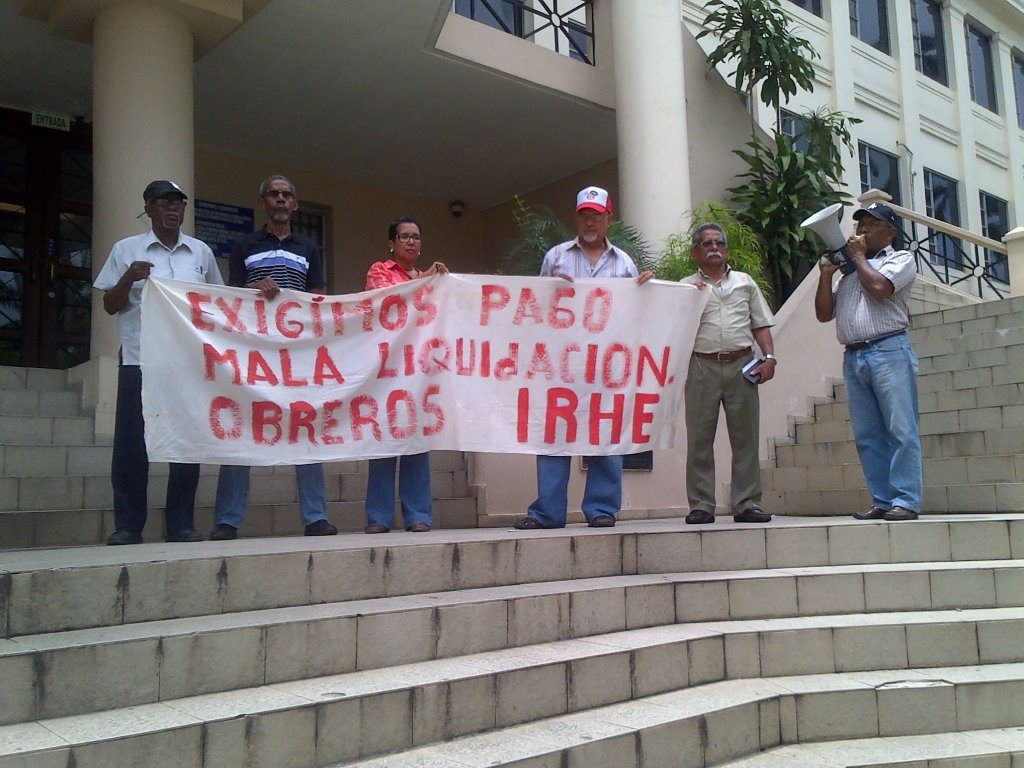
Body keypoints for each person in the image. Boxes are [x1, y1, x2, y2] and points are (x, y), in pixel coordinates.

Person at [514, 186, 654, 530]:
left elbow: (637, 314)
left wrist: (650, 291)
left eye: (596, 215)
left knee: (605, 433)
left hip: (607, 369)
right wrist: (551, 291)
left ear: (609, 218)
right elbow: (533, 309)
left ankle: (602, 509)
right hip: (561, 366)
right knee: (554, 437)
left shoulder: (624, 263)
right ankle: (547, 512)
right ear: (576, 218)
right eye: (584, 215)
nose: (590, 222)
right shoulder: (556, 258)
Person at [94, 180, 224, 545]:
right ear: (148, 208)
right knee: (132, 445)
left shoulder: (201, 254)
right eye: (164, 202)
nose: (173, 209)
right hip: (140, 361)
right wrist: (128, 277)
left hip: (187, 364)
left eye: (179, 203)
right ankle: (129, 525)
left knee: (186, 442)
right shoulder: (126, 249)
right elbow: (109, 305)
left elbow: (216, 303)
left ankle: (181, 523)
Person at [209, 175, 337, 540]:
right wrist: (253, 290)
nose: (280, 199)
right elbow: (231, 298)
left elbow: (318, 301)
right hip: (253, 353)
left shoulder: (309, 248)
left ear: (294, 204)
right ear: (262, 203)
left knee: (306, 426)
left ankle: (316, 518)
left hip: (296, 357)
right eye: (273, 194)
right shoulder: (244, 244)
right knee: (242, 425)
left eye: (286, 195)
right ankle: (227, 520)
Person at [814, 202, 921, 521]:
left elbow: (879, 289)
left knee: (901, 428)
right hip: (854, 355)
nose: (862, 229)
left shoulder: (901, 260)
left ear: (890, 232)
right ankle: (883, 499)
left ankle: (906, 499)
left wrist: (857, 258)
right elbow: (823, 313)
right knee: (867, 434)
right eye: (860, 224)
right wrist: (826, 276)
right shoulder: (849, 272)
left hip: (889, 349)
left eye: (872, 224)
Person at [681, 222, 776, 525]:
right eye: (706, 244)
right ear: (696, 251)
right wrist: (689, 300)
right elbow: (671, 327)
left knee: (746, 437)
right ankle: (700, 505)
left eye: (719, 243)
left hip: (742, 364)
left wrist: (770, 357)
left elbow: (760, 323)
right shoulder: (686, 286)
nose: (714, 248)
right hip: (700, 365)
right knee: (699, 439)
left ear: (727, 249)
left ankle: (747, 503)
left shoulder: (745, 282)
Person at [363, 216, 448, 533]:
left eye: (416, 237)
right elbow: (388, 302)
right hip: (386, 369)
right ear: (391, 243)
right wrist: (427, 278)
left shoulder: (435, 281)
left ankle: (418, 515)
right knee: (384, 440)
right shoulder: (379, 271)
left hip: (420, 370)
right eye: (404, 237)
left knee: (417, 441)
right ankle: (379, 517)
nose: (411, 242)